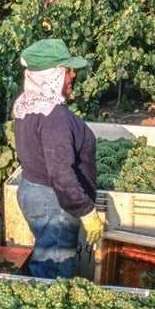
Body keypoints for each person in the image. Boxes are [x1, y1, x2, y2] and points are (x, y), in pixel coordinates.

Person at [12, 38, 103, 279]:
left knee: (46, 254)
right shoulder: (54, 117)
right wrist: (86, 211)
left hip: (33, 190)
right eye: (67, 70)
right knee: (55, 270)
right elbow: (61, 175)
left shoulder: (28, 104)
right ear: (52, 76)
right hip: (54, 202)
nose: (73, 75)